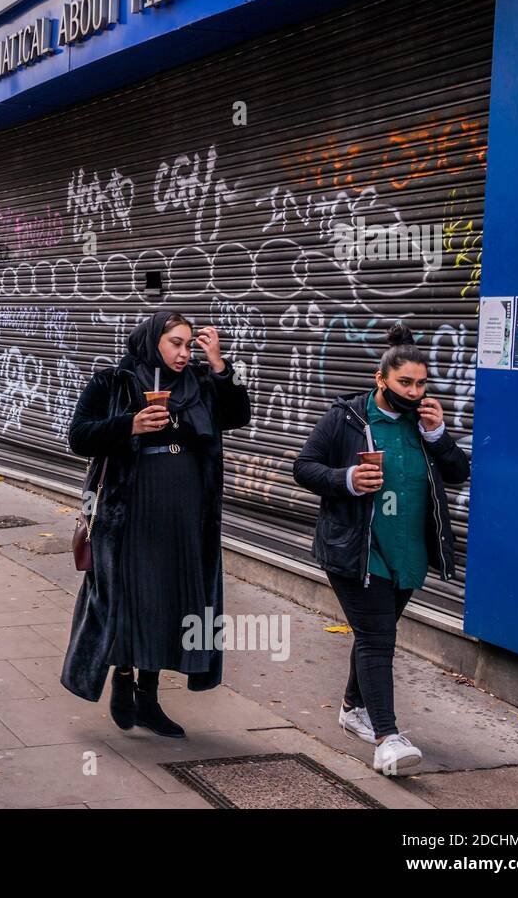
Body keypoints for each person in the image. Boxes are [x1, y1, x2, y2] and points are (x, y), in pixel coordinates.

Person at [61, 311, 251, 737]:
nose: (184, 353)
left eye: (189, 345)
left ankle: (149, 697)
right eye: (175, 344)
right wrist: (129, 424)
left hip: (186, 517)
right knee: (131, 601)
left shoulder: (201, 383)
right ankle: (123, 682)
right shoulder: (114, 381)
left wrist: (221, 365)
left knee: (172, 602)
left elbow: (239, 413)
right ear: (152, 342)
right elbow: (78, 436)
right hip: (130, 516)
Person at [293, 323, 470, 776]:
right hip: (356, 550)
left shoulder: (422, 423)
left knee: (378, 631)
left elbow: (457, 473)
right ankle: (388, 739)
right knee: (377, 639)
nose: (414, 391)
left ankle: (354, 707)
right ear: (381, 379)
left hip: (407, 554)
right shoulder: (348, 419)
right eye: (405, 382)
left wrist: (438, 434)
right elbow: (305, 467)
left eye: (421, 383)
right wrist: (345, 480)